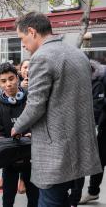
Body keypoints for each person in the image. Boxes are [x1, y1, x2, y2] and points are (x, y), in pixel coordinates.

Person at [11, 12, 102, 206]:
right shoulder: (77, 54)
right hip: (79, 147)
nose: (22, 44)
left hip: (55, 152)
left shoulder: (42, 57)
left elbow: (35, 105)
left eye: (22, 38)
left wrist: (17, 126)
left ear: (32, 32)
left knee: (50, 201)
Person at [0, 62, 39, 207]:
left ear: (18, 77)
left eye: (11, 78)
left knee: (34, 196)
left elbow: (38, 122)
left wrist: (32, 135)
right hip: (10, 159)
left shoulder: (30, 98)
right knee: (8, 198)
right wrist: (4, 141)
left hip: (31, 155)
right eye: (3, 81)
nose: (8, 84)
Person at [78, 60, 106, 205]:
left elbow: (96, 106)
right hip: (100, 123)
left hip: (102, 125)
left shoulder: (97, 79)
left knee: (99, 159)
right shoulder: (86, 76)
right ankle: (93, 192)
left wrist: (92, 128)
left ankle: (93, 191)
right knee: (99, 159)